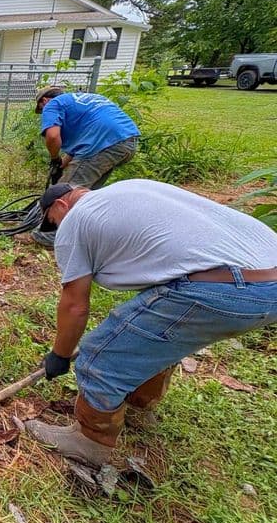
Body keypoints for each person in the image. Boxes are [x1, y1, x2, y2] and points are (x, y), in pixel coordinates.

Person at [24, 179, 277, 466]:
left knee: (99, 356)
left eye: (54, 223)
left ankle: (89, 440)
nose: (58, 230)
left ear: (61, 204)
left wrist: (60, 354)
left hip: (224, 287)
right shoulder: (131, 190)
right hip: (267, 281)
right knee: (152, 338)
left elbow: (75, 304)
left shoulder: (77, 219)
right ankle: (138, 407)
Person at [31, 87, 140, 247]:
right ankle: (86, 230)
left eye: (41, 109)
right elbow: (76, 151)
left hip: (102, 143)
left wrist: (54, 158)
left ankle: (50, 236)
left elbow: (53, 136)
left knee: (66, 192)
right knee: (86, 194)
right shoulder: (83, 100)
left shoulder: (53, 104)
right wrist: (61, 164)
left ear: (44, 101)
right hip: (125, 142)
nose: (43, 113)